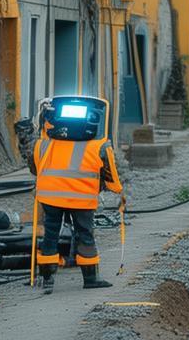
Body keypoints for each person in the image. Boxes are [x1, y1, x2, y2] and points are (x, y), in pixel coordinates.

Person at [30, 97, 124, 293]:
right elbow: (111, 175)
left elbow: (35, 168)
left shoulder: (43, 144)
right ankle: (90, 279)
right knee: (85, 236)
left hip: (50, 197)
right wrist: (118, 192)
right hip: (82, 200)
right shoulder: (99, 146)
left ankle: (47, 280)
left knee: (50, 235)